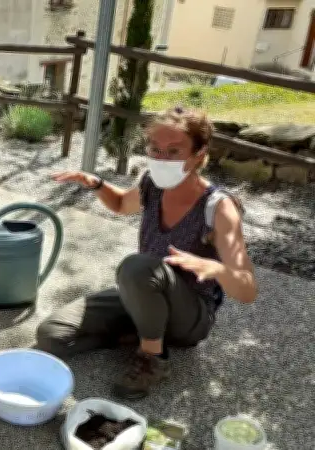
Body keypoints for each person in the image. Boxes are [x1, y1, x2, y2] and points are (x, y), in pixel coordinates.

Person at [36, 106, 257, 400]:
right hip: (143, 291)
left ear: (199, 155)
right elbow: (120, 205)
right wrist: (97, 184)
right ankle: (145, 329)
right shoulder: (151, 183)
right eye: (155, 149)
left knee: (137, 267)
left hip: (190, 315)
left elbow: (247, 289)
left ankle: (153, 359)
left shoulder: (218, 207)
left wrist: (215, 269)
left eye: (174, 151)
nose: (161, 159)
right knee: (52, 336)